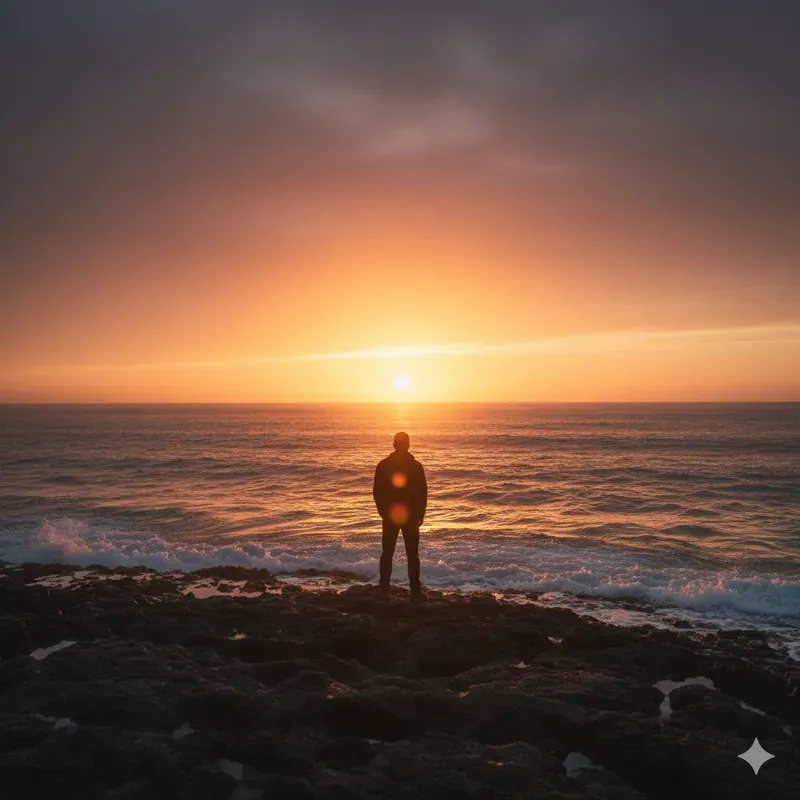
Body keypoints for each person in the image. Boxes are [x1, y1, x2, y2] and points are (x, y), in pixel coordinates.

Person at [372, 431, 427, 601]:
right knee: (411, 554)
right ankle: (415, 591)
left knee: (388, 552)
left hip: (390, 516)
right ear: (407, 445)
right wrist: (420, 514)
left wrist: (383, 511)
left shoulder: (384, 465)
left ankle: (384, 589)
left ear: (394, 445)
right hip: (409, 517)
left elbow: (377, 492)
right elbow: (422, 492)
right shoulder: (415, 466)